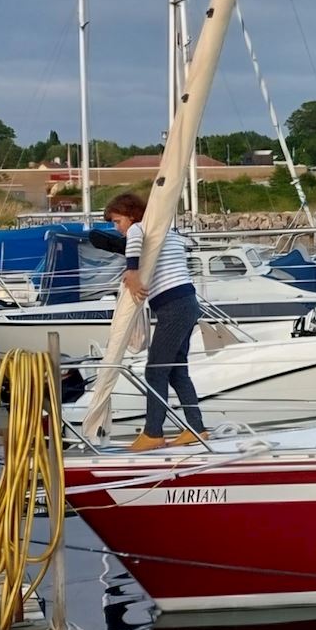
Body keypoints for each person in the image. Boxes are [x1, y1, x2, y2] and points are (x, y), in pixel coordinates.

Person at [103, 192, 207, 451]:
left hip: (173, 307)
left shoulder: (140, 229)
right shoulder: (166, 232)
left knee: (155, 370)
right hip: (187, 302)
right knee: (176, 369)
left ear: (130, 215)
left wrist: (132, 272)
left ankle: (153, 433)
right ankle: (197, 428)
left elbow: (134, 242)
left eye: (117, 222)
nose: (118, 229)